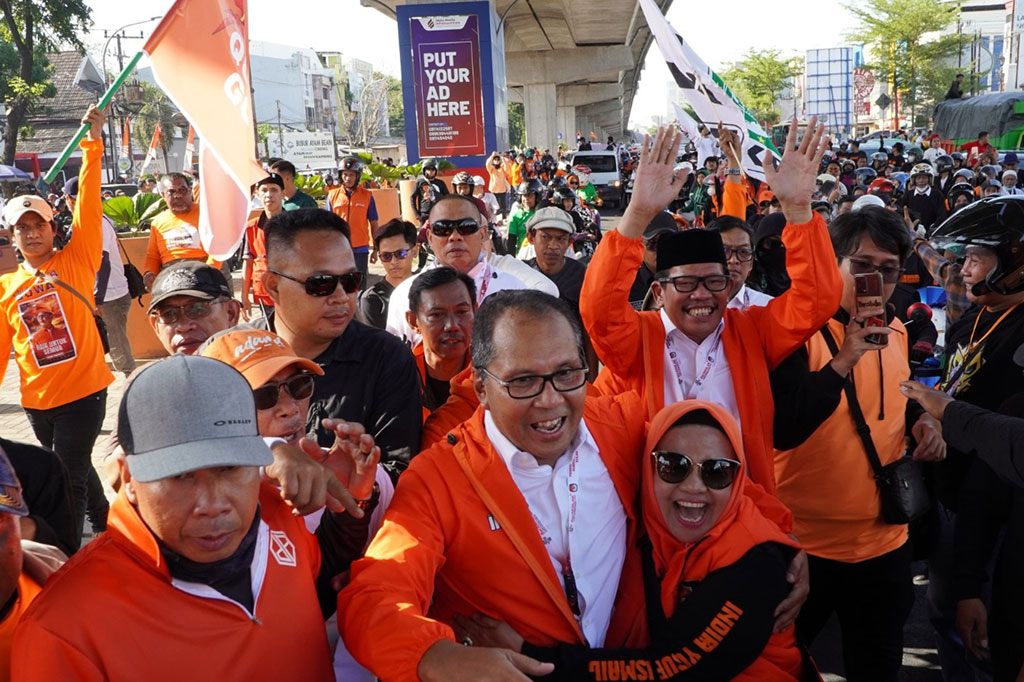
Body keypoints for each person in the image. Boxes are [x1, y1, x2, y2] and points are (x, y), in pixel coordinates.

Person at [339, 291, 652, 681]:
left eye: (567, 373)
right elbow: (375, 597)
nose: (551, 400)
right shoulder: (438, 478)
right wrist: (434, 657)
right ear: (481, 389)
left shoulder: (623, 427)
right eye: (523, 381)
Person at [11, 355, 378, 681]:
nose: (212, 503)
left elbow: (311, 591)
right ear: (127, 479)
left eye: (230, 467)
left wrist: (351, 504)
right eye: (180, 476)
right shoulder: (64, 631)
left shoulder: (276, 515)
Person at [453, 401, 806, 681]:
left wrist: (528, 655)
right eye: (673, 465)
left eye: (718, 471)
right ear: (646, 465)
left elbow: (671, 668)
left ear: (737, 479)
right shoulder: (639, 515)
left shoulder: (757, 567)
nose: (695, 486)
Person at [581, 120, 842, 493]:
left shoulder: (751, 331)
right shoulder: (638, 339)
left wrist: (799, 210)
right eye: (686, 283)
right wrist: (637, 214)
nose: (701, 295)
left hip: (740, 512)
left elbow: (816, 301)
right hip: (656, 520)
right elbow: (599, 310)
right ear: (659, 291)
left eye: (714, 282)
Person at [770, 206, 945, 682]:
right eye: (863, 265)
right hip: (802, 548)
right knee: (786, 669)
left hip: (885, 544)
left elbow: (892, 398)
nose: (879, 280)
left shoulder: (897, 331)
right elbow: (785, 428)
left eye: (889, 269)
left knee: (878, 666)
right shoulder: (794, 333)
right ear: (833, 263)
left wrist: (923, 424)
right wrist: (843, 359)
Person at [0, 105, 112, 545]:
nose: (31, 234)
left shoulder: (78, 259)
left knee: (68, 476)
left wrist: (93, 141)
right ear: (11, 237)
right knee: (75, 464)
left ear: (52, 226)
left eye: (38, 224)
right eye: (21, 228)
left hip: (85, 392)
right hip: (36, 401)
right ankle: (107, 523)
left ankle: (66, 553)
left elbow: (89, 200)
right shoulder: (7, 286)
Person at [924, 195, 1024, 681]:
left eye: (976, 258)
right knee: (947, 621)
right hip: (954, 503)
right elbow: (951, 386)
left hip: (998, 525)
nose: (963, 269)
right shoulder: (972, 319)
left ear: (1015, 261)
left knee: (985, 640)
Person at [261, 208, 423, 479]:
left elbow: (401, 472)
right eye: (320, 284)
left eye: (350, 281)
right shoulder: (234, 358)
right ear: (273, 286)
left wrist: (358, 479)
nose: (341, 297)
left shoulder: (387, 358)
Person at [386, 194, 528, 346]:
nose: (455, 237)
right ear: (430, 237)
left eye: (466, 227)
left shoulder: (515, 291)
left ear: (483, 234)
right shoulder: (404, 295)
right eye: (442, 229)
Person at [62, 176, 135, 378]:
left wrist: (97, 300)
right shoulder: (84, 221)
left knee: (118, 351)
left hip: (108, 297)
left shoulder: (95, 222)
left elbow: (102, 262)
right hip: (95, 296)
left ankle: (132, 389)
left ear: (69, 198)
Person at [406, 267, 476, 413]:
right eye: (437, 315)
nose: (452, 326)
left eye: (462, 312)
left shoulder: (493, 381)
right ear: (413, 321)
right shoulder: (398, 381)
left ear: (476, 312)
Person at [146, 261, 240, 356]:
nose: (183, 327)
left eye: (197, 309)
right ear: (156, 327)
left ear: (231, 313)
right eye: (169, 314)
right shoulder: (153, 371)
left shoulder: (252, 368)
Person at [143, 172, 218, 291]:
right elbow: (153, 256)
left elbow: (218, 248)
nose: (177, 196)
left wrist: (209, 270)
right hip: (171, 274)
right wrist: (149, 273)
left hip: (206, 270)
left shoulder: (206, 214)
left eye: (182, 190)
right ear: (163, 195)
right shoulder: (157, 222)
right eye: (172, 192)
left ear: (190, 191)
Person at [326, 156, 378, 285]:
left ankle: (360, 305)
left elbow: (374, 223)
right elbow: (327, 224)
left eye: (351, 175)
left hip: (360, 248)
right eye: (345, 175)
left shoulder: (367, 196)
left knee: (359, 283)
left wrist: (376, 249)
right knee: (341, 283)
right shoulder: (332, 196)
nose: (348, 178)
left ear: (357, 176)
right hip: (339, 248)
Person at [241, 173, 286, 320]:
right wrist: (244, 296)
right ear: (258, 194)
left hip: (289, 290)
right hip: (264, 294)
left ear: (282, 194)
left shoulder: (294, 225)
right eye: (264, 190)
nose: (269, 195)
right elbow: (248, 262)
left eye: (274, 190)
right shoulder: (251, 227)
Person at [359, 219, 418, 330]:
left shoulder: (428, 289)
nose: (393, 261)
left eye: (400, 254)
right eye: (386, 256)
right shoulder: (372, 299)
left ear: (415, 251)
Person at [707, 216, 773, 310]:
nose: (734, 260)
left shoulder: (768, 308)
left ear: (751, 263)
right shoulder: (687, 307)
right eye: (724, 251)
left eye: (743, 252)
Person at [628, 213, 679, 310]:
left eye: (668, 242)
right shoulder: (625, 285)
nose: (661, 249)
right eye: (653, 244)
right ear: (640, 246)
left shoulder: (690, 281)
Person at [902, 164, 946, 231]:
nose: (921, 180)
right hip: (911, 231)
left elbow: (942, 215)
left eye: (924, 178)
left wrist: (933, 228)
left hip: (932, 232)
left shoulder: (938, 195)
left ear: (929, 179)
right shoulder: (908, 195)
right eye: (918, 178)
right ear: (914, 179)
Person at [507, 179, 541, 254]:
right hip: (522, 255)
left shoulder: (543, 213)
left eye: (530, 195)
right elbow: (511, 241)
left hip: (541, 253)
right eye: (524, 195)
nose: (526, 199)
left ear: (537, 196)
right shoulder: (516, 216)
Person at [412, 158, 450, 224]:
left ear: (436, 171)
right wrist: (416, 214)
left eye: (432, 169)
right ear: (424, 170)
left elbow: (447, 198)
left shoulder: (441, 183)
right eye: (428, 169)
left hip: (438, 214)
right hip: (424, 214)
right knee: (423, 233)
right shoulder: (419, 182)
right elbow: (412, 197)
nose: (430, 171)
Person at [487, 152, 511, 219]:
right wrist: (492, 156)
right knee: (495, 205)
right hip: (494, 190)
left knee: (504, 205)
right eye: (495, 160)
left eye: (498, 160)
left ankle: (504, 218)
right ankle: (495, 218)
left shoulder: (502, 168)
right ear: (493, 161)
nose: (497, 161)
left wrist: (502, 158)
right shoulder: (492, 169)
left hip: (502, 189)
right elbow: (487, 164)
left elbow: (508, 169)